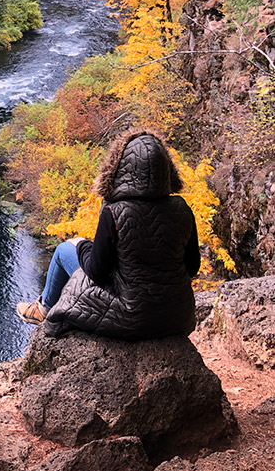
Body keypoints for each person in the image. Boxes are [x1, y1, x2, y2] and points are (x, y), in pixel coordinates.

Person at [16, 130, 201, 340]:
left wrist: (82, 245)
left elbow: (97, 273)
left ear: (121, 169)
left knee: (62, 251)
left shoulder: (114, 212)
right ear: (167, 169)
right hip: (177, 316)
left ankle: (43, 309)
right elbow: (192, 267)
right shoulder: (182, 209)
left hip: (132, 316)